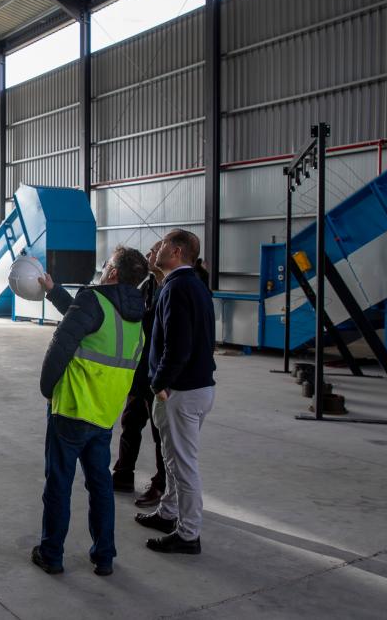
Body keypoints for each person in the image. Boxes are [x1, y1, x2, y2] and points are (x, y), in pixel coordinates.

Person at [30, 246, 148, 576]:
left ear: (112, 274)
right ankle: (105, 556)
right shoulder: (136, 314)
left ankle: (51, 553)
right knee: (100, 488)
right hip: (104, 414)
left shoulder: (93, 300)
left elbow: (61, 346)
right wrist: (55, 293)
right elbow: (86, 323)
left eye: (106, 264)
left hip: (71, 410)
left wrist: (47, 390)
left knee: (58, 485)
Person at [134, 229, 216, 555]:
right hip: (194, 387)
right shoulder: (191, 285)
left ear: (178, 251)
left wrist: (159, 382)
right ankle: (168, 513)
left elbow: (177, 346)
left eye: (164, 244)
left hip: (181, 391)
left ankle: (188, 533)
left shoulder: (178, 288)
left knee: (183, 465)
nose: (157, 250)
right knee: (171, 459)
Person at [112, 241, 166, 508]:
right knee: (131, 423)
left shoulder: (171, 289)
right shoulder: (147, 285)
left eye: (156, 250)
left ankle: (161, 483)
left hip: (157, 375)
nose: (150, 254)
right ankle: (123, 473)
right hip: (140, 368)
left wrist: (162, 379)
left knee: (160, 433)